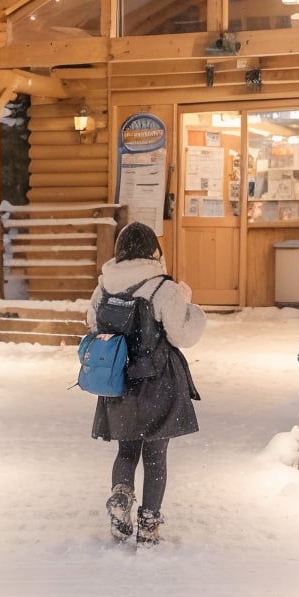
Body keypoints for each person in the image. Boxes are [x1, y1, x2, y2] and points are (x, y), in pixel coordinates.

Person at [86, 221, 206, 546]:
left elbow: (92, 322)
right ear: (154, 250)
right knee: (155, 456)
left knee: (126, 451)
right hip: (157, 382)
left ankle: (121, 497)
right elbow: (183, 334)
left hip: (119, 381)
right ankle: (149, 525)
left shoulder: (105, 286)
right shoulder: (162, 288)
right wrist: (190, 305)